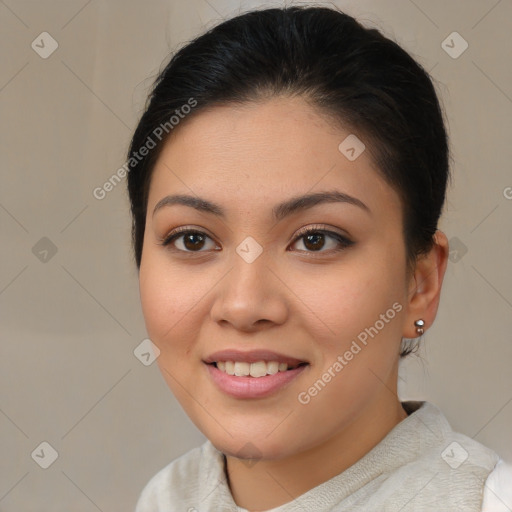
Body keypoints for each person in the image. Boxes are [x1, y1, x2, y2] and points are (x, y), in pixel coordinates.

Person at [126, 5, 511, 511]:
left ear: (420, 283)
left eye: (315, 240)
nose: (244, 305)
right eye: (193, 240)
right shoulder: (165, 500)